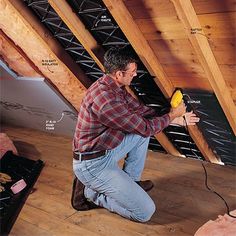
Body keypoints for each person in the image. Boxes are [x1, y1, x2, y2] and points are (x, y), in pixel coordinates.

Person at [72, 47, 199, 222]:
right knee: (145, 212)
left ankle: (130, 183)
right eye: (132, 72)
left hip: (106, 150)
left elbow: (141, 111)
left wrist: (174, 119)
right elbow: (145, 127)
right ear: (118, 74)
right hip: (93, 165)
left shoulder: (114, 87)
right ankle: (92, 194)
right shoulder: (105, 100)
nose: (135, 74)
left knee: (141, 136)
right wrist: (171, 116)